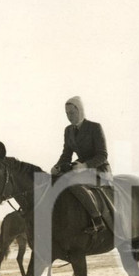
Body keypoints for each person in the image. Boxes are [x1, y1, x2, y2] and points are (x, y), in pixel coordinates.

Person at [50, 96, 110, 233]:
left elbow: (102, 155)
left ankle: (97, 220)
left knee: (72, 182)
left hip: (100, 171)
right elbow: (66, 155)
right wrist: (57, 166)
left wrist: (84, 166)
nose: (69, 116)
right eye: (66, 113)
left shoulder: (95, 127)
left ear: (80, 111)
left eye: (71, 113)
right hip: (80, 170)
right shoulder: (68, 130)